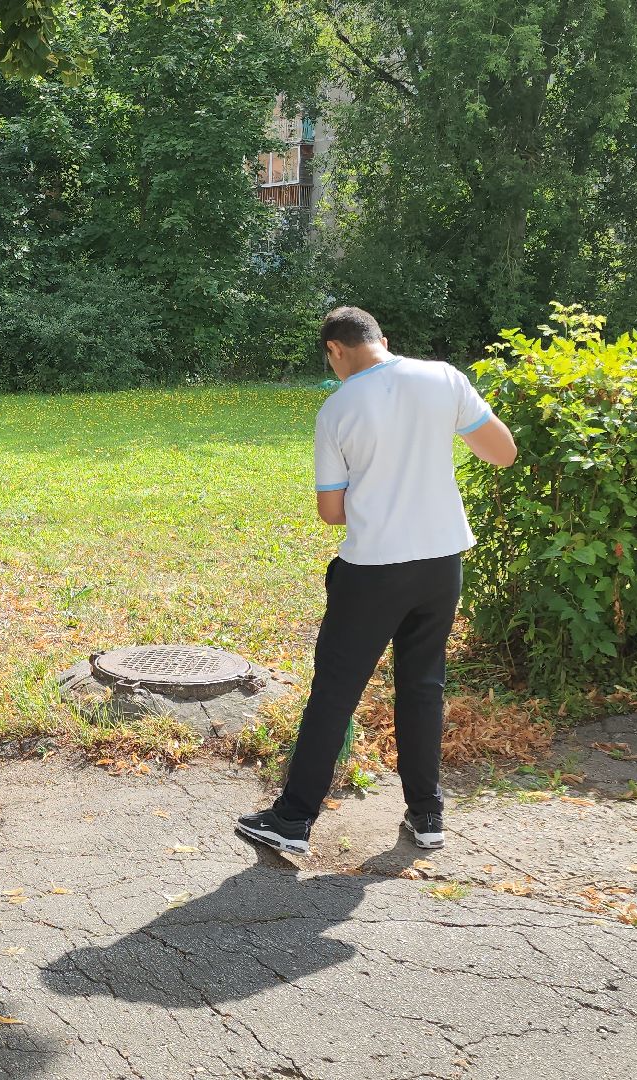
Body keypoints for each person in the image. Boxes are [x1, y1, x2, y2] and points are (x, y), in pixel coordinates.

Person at [237, 306, 517, 856]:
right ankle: (427, 814)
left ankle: (293, 820)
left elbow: (331, 511)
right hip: (442, 561)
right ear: (382, 340)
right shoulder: (444, 377)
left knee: (335, 693)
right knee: (422, 686)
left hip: (374, 569)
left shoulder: (337, 408)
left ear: (335, 351)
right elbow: (503, 453)